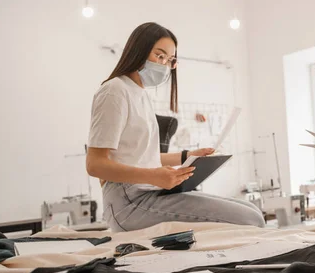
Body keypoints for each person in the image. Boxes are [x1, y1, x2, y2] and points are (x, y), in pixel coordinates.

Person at [86, 22, 265, 231]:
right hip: (128, 204)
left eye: (170, 60)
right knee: (251, 219)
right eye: (159, 56)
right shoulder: (114, 91)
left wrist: (188, 156)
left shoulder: (140, 94)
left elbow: (141, 157)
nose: (163, 65)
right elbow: (95, 165)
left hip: (149, 192)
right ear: (139, 50)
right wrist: (154, 176)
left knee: (252, 210)